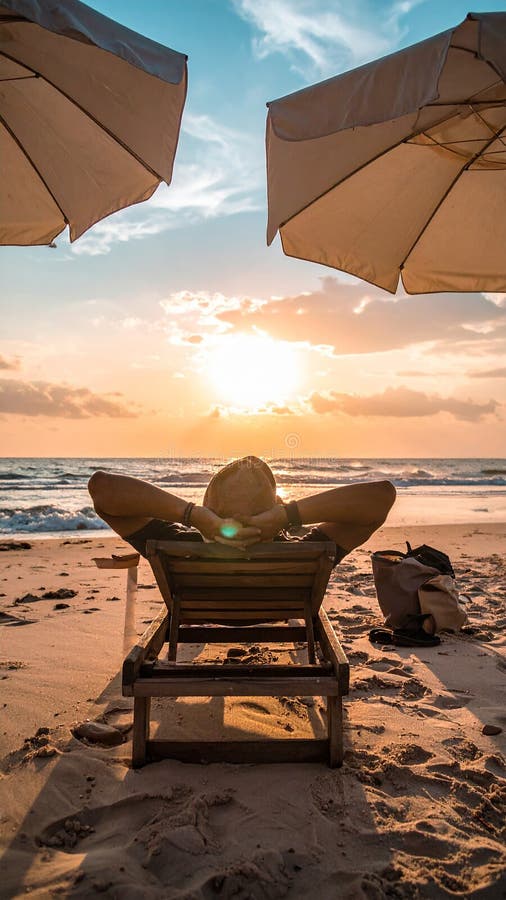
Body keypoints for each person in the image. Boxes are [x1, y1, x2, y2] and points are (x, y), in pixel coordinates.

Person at [88, 456, 396, 567]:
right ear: (272, 508)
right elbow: (381, 497)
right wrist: (285, 517)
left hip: (200, 605)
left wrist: (194, 517)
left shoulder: (179, 548)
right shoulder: (308, 554)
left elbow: (101, 490)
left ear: (209, 505)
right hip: (281, 606)